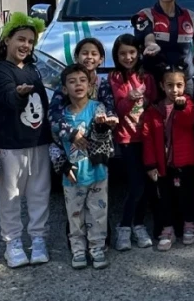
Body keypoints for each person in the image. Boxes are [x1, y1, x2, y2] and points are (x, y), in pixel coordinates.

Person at [0, 13, 52, 268]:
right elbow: (5, 96)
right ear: (7, 39)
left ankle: (38, 239)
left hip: (39, 140)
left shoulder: (34, 69)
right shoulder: (0, 70)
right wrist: (17, 94)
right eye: (20, 39)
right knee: (11, 195)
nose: (25, 45)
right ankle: (13, 242)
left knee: (40, 193)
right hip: (12, 143)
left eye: (30, 41)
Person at [51, 64, 117, 269]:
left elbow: (106, 139)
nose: (78, 84)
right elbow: (53, 145)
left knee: (98, 213)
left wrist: (101, 125)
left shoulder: (98, 108)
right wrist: (62, 166)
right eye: (72, 81)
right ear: (64, 89)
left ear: (90, 86)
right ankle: (78, 249)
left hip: (97, 172)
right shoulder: (61, 117)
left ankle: (97, 247)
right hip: (72, 176)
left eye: (82, 80)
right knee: (75, 214)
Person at [104, 34, 157, 252]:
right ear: (116, 55)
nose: (128, 57)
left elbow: (153, 103)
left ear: (139, 52)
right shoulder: (116, 77)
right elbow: (120, 108)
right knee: (136, 185)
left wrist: (144, 100)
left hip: (146, 137)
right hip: (127, 138)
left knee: (146, 184)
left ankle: (138, 224)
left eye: (132, 52)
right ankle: (124, 226)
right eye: (123, 53)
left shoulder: (148, 77)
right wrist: (131, 98)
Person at [140, 65, 194, 251]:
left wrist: (180, 108)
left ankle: (189, 225)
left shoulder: (187, 104)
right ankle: (168, 229)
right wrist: (150, 164)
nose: (175, 90)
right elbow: (147, 137)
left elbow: (188, 121)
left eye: (179, 85)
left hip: (184, 162)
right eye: (170, 85)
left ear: (185, 85)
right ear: (162, 86)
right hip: (162, 164)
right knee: (164, 198)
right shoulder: (153, 110)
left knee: (187, 195)